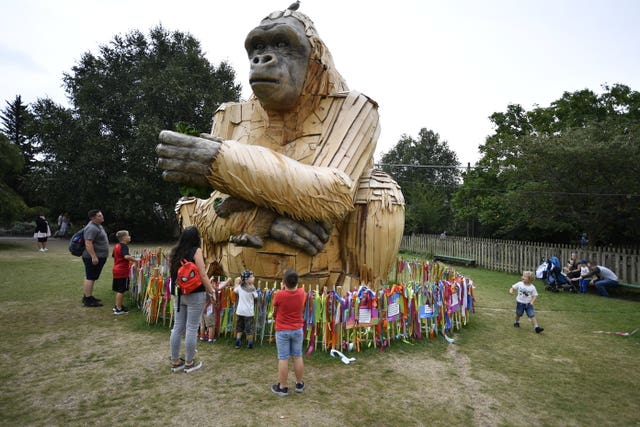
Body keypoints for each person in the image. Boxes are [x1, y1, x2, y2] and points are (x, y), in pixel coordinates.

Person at [156, 5, 405, 288]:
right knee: (188, 203)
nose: (263, 57)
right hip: (240, 277)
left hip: (328, 280)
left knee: (380, 191)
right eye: (257, 46)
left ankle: (361, 299)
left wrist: (223, 163)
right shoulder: (231, 116)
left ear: (314, 59)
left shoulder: (352, 107)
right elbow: (203, 216)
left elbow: (333, 195)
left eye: (283, 44)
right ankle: (217, 282)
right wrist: (263, 218)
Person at [169, 226, 216, 373]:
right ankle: (189, 363)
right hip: (195, 293)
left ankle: (176, 361)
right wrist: (211, 291)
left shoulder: (175, 252)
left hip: (179, 294)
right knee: (191, 327)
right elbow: (202, 274)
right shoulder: (196, 251)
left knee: (177, 327)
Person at [271, 269, 305, 396]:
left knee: (283, 358)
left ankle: (283, 387)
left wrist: (282, 289)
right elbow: (298, 291)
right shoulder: (302, 293)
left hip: (282, 330)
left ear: (284, 282)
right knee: (297, 356)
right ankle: (299, 383)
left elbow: (275, 305)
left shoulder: (280, 294)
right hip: (297, 329)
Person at [82, 210, 109, 307]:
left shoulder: (97, 226)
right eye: (99, 216)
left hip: (98, 256)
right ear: (93, 218)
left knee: (90, 276)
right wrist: (94, 256)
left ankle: (87, 296)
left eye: (101, 214)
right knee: (90, 277)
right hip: (93, 257)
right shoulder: (91, 228)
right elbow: (88, 243)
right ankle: (88, 300)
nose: (102, 216)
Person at [111, 230, 139, 315]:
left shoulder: (116, 246)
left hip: (116, 269)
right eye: (128, 235)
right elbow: (126, 256)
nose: (130, 237)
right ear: (124, 238)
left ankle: (117, 305)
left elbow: (114, 255)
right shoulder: (124, 246)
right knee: (121, 290)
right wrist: (135, 260)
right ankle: (118, 309)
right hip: (122, 271)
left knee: (119, 289)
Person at [234, 270, 258, 349]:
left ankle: (237, 342)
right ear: (247, 279)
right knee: (249, 329)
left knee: (239, 327)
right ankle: (250, 344)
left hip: (240, 311)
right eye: (251, 277)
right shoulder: (252, 288)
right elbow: (256, 297)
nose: (253, 278)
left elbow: (235, 290)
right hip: (248, 313)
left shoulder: (240, 287)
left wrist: (236, 282)